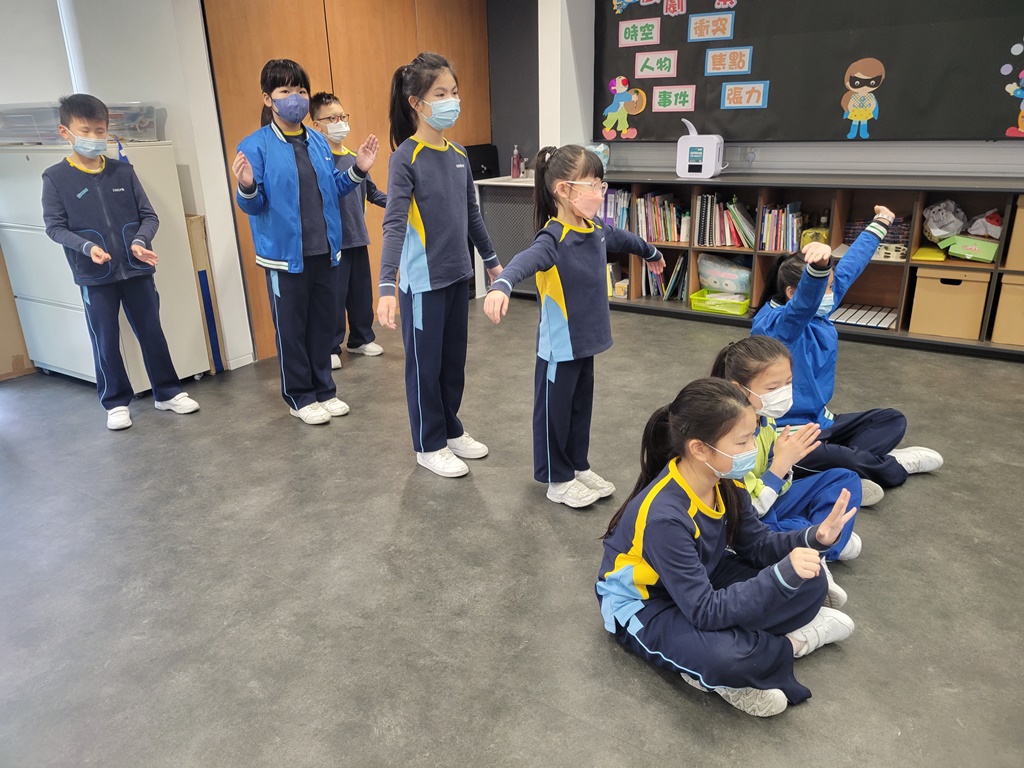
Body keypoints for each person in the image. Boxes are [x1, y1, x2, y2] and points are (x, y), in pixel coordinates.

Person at [597, 379, 857, 717]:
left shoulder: (726, 480)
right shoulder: (665, 517)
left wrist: (815, 537)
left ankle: (727, 655)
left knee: (813, 581)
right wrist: (779, 578)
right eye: (743, 441)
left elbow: (758, 544)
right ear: (699, 449)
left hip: (703, 576)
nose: (753, 449)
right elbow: (705, 610)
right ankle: (788, 645)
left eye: (752, 436)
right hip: (647, 604)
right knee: (725, 657)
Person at [483, 144, 665, 508]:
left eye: (600, 184)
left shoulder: (595, 229)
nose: (598, 192)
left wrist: (651, 252)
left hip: (587, 342)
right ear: (563, 190)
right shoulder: (552, 237)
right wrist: (501, 284)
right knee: (555, 414)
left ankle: (578, 466)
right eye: (591, 185)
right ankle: (558, 478)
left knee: (581, 410)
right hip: (560, 348)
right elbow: (523, 261)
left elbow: (624, 238)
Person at [751, 206, 942, 487]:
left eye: (830, 286)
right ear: (792, 293)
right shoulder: (777, 326)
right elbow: (804, 304)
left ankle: (854, 468)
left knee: (891, 419)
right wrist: (819, 268)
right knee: (843, 458)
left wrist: (881, 222)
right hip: (786, 434)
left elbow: (851, 267)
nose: (832, 293)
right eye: (825, 288)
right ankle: (887, 466)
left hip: (821, 422)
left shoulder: (819, 309)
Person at [233, 59, 379, 425]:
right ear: (268, 98)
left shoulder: (317, 141)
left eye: (300, 90)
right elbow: (254, 205)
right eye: (285, 91)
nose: (295, 98)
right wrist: (247, 186)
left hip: (325, 251)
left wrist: (358, 169)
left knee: (322, 325)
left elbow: (334, 188)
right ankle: (299, 396)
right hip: (285, 257)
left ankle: (324, 390)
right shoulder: (255, 146)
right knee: (292, 330)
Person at [376, 52, 502, 477]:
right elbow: (394, 224)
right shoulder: (405, 158)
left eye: (454, 93)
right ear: (416, 103)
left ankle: (449, 429)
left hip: (456, 276)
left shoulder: (459, 154)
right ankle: (428, 443)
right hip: (422, 284)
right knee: (424, 368)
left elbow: (472, 216)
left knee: (452, 365)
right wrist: (386, 286)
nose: (452, 102)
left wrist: (493, 263)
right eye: (441, 94)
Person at [41, 94, 199, 430]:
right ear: (65, 132)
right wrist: (87, 248)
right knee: (105, 339)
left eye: (100, 131)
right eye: (86, 131)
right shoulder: (55, 178)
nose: (94, 137)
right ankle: (115, 402)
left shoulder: (123, 172)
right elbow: (54, 227)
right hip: (93, 275)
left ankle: (168, 392)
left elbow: (149, 216)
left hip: (137, 270)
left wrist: (139, 242)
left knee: (152, 333)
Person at [711, 335, 864, 574]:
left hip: (767, 498)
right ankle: (821, 546)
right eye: (773, 388)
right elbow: (749, 509)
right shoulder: (730, 436)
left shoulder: (766, 419)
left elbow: (777, 484)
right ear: (739, 389)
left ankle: (820, 546)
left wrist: (784, 463)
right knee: (796, 525)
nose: (783, 393)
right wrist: (780, 467)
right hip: (741, 518)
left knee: (844, 479)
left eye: (788, 383)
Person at [309, 91, 387, 367]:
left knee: (360, 293)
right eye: (332, 118)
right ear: (316, 125)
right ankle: (330, 347)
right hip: (333, 242)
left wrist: (400, 201)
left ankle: (361, 339)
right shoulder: (317, 161)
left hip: (357, 237)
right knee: (333, 296)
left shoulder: (356, 158)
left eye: (342, 116)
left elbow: (372, 192)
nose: (340, 122)